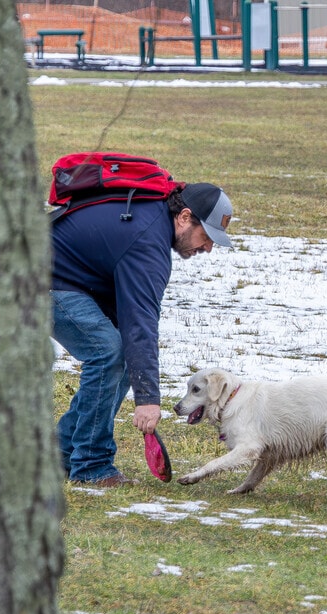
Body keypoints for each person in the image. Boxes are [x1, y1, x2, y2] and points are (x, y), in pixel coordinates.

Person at [52, 182, 234, 486]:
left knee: (121, 353)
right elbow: (141, 325)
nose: (208, 247)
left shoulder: (153, 219)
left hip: (63, 277)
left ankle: (62, 454)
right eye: (207, 236)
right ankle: (91, 466)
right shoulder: (147, 244)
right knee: (108, 353)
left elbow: (134, 328)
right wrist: (147, 400)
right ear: (185, 217)